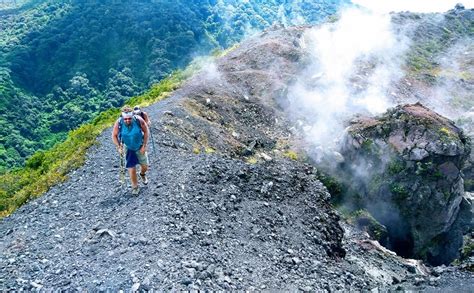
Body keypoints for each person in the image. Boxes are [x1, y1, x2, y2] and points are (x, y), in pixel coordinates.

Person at [112, 105, 149, 195]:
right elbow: (114, 135)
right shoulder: (119, 123)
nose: (127, 120)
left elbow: (146, 131)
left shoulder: (139, 120)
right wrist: (118, 147)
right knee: (131, 168)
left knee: (145, 166)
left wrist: (144, 145)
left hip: (139, 146)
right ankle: (135, 187)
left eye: (129, 118)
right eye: (125, 119)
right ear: (122, 118)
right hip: (128, 147)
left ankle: (142, 174)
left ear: (132, 116)